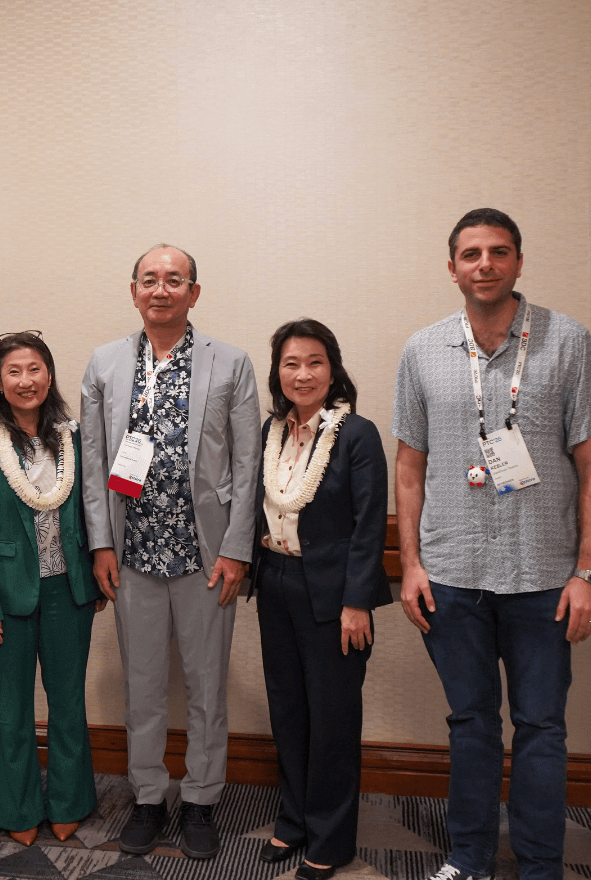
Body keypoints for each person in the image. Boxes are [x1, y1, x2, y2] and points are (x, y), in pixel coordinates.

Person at [392, 208, 591, 880]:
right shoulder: (422, 349)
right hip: (452, 572)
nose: (484, 264)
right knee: (471, 724)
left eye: (498, 252)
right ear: (452, 266)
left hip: (543, 573)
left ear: (518, 261)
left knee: (542, 728)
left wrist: (589, 574)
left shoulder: (566, 341)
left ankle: (541, 866)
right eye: (470, 254)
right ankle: (469, 858)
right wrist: (410, 565)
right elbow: (409, 466)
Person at [81, 243, 261, 859]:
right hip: (132, 553)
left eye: (175, 280)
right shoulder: (104, 364)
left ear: (195, 292)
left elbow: (247, 461)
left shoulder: (231, 364)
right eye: (149, 280)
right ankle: (150, 796)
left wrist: (238, 548)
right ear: (133, 291)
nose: (161, 289)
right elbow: (94, 463)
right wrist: (100, 542)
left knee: (208, 685)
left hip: (206, 554)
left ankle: (204, 800)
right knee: (143, 683)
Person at [250, 319, 390, 880]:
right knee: (287, 708)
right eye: (291, 363)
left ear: (332, 370)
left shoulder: (357, 433)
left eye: (314, 362)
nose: (302, 373)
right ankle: (294, 820)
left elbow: (368, 525)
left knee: (332, 717)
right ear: (277, 372)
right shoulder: (271, 432)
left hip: (334, 597)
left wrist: (357, 603)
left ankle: (330, 838)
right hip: (277, 584)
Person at [0, 332, 105, 847]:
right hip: (7, 595)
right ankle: (19, 806)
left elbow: (93, 512)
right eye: (15, 372)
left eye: (36, 369)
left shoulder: (74, 438)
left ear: (49, 375)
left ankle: (69, 801)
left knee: (68, 702)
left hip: (69, 590)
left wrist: (96, 570)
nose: (27, 381)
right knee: (12, 707)